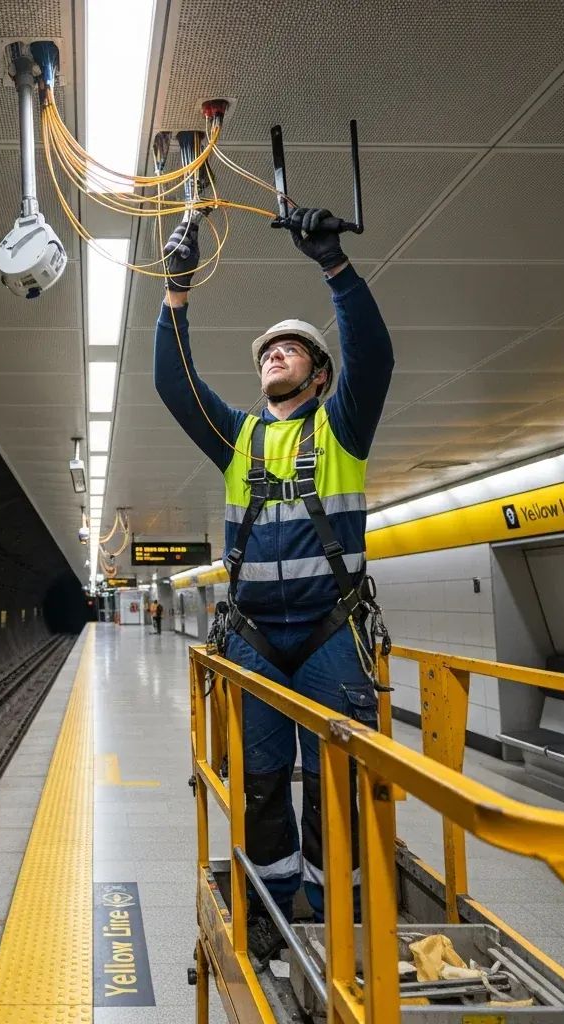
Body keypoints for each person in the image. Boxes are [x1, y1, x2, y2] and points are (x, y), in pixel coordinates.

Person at [154, 207, 394, 960]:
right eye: (269, 351)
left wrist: (335, 268)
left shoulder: (341, 427)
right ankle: (270, 914)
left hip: (331, 632)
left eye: (292, 350)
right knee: (261, 787)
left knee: (337, 785)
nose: (276, 355)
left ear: (317, 374)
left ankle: (332, 918)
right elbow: (173, 382)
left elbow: (377, 359)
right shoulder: (238, 436)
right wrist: (176, 293)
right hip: (255, 637)